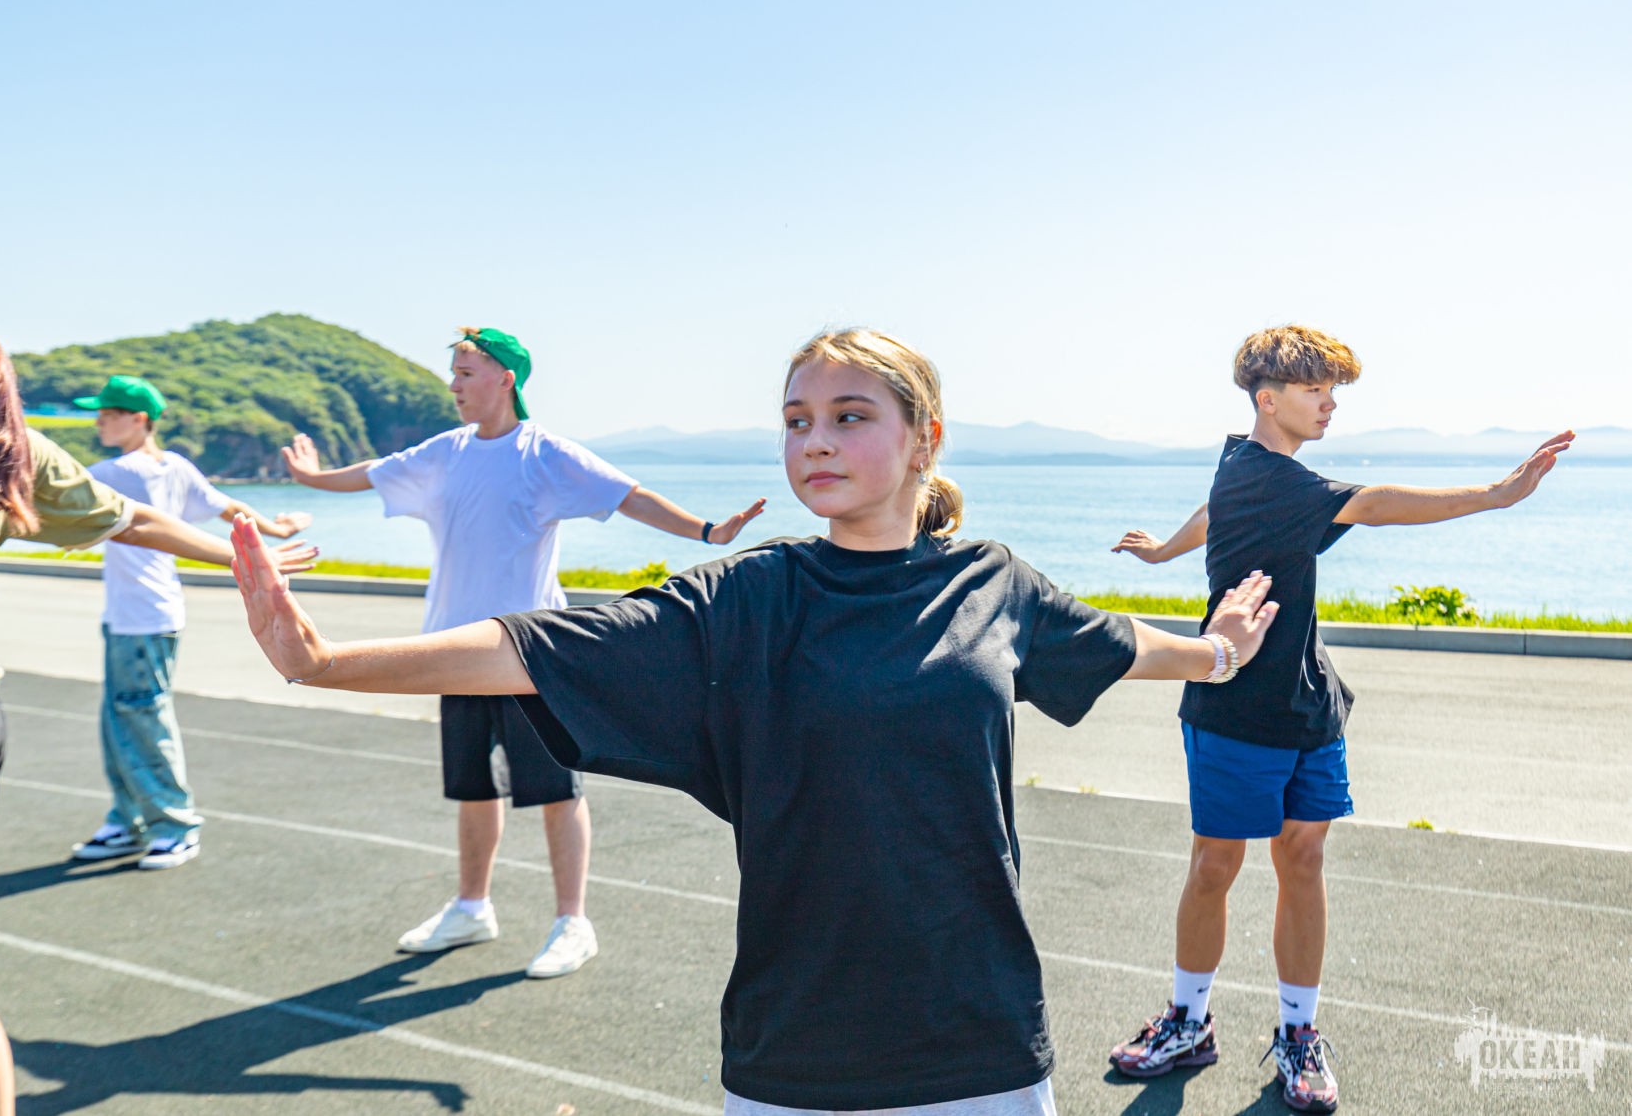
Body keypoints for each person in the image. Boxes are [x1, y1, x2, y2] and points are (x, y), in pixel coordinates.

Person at [233, 327, 1281, 1114]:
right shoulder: (747, 595)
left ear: (925, 438)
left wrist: (1219, 650)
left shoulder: (991, 583)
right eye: (795, 420)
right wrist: (321, 662)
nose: (814, 440)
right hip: (794, 1047)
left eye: (848, 415)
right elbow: (531, 643)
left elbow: (1117, 642)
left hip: (978, 1035)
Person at [1107, 325, 1571, 1113]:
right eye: (1314, 389)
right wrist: (1496, 494)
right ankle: (1187, 1021)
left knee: (1305, 859)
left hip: (1309, 704)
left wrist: (1163, 552)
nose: (1329, 404)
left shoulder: (1248, 468)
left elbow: (1212, 511)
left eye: (1333, 391)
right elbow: (1377, 503)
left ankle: (1297, 1033)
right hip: (1233, 706)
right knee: (1214, 865)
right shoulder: (1274, 478)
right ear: (1268, 399)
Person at [0, 260, 315, 1115]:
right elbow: (130, 519)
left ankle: (164, 821)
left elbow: (139, 516)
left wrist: (245, 552)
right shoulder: (0, 444)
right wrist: (242, 552)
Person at [281, 326, 765, 979]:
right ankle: (471, 906)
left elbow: (627, 496)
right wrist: (311, 478)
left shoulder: (543, 453)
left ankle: (573, 922)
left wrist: (706, 530)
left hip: (528, 655)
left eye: (466, 372)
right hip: (454, 650)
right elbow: (371, 473)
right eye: (454, 373)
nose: (454, 385)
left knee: (556, 790)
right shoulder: (444, 451)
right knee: (473, 788)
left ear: (505, 378)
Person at [66, 375, 312, 870]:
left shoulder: (117, 471)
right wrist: (278, 528)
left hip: (141, 618)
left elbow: (51, 495)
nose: (99, 422)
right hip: (143, 615)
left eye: (108, 414)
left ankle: (174, 826)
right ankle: (129, 819)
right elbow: (229, 507)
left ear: (139, 419)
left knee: (141, 718)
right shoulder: (174, 466)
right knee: (121, 720)